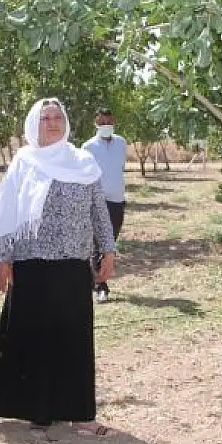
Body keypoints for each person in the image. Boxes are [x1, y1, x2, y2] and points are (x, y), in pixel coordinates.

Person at [0, 97, 117, 436]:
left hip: (72, 265)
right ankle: (37, 411)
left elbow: (99, 210)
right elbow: (6, 213)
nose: (52, 122)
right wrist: (2, 259)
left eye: (57, 117)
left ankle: (81, 414)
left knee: (74, 339)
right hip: (31, 265)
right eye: (45, 118)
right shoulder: (25, 162)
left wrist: (108, 251)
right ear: (33, 125)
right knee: (33, 337)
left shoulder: (84, 162)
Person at [82, 107, 128, 303]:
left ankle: (94, 280)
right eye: (102, 123)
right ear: (96, 124)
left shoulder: (121, 143)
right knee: (99, 243)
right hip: (98, 202)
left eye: (109, 122)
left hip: (118, 201)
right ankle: (101, 286)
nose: (106, 126)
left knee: (111, 240)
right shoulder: (88, 147)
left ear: (114, 122)